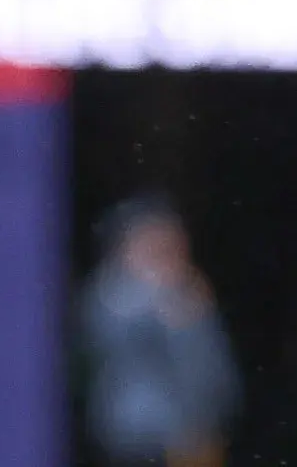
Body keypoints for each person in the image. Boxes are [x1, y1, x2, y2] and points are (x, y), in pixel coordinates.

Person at [78, 196, 238, 467]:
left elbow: (211, 365)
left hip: (191, 436)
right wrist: (161, 302)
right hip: (137, 439)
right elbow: (108, 336)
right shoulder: (111, 293)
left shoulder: (190, 292)